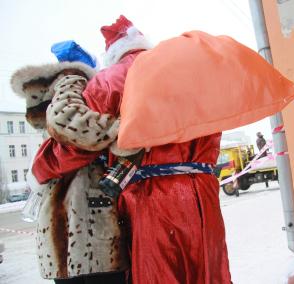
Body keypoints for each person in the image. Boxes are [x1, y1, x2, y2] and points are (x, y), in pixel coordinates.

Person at [30, 15, 232, 284]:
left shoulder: (110, 80)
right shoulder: (191, 76)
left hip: (150, 195)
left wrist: (42, 166)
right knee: (208, 269)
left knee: (159, 273)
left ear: (111, 53)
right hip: (204, 192)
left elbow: (75, 141)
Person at [10, 41, 129, 283]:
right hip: (89, 227)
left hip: (63, 226)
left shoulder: (49, 106)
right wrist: (124, 129)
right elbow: (71, 125)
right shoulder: (74, 79)